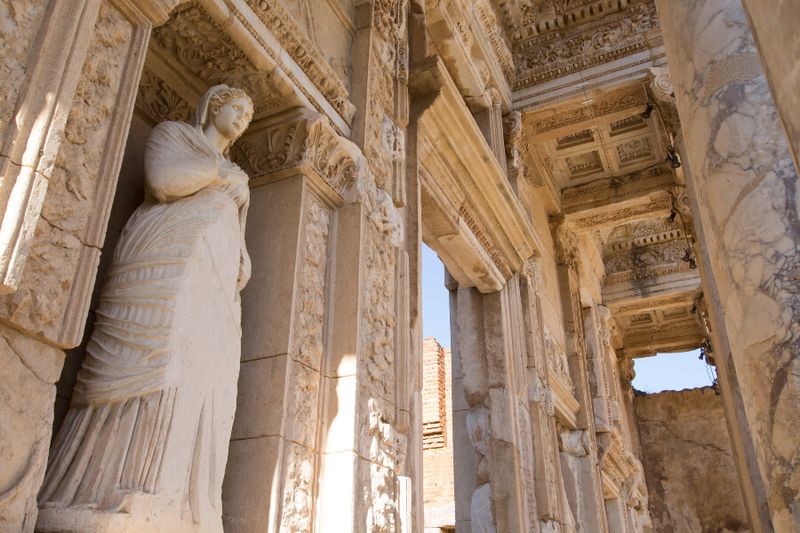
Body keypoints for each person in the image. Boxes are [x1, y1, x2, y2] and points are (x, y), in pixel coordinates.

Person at [37, 85, 254, 533]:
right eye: (238, 108)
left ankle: (175, 497)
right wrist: (218, 174)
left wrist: (242, 259)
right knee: (159, 358)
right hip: (162, 264)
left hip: (213, 287)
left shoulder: (238, 175)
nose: (243, 119)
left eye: (250, 117)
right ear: (215, 104)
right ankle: (109, 485)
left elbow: (238, 235)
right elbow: (163, 182)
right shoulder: (174, 136)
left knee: (202, 376)